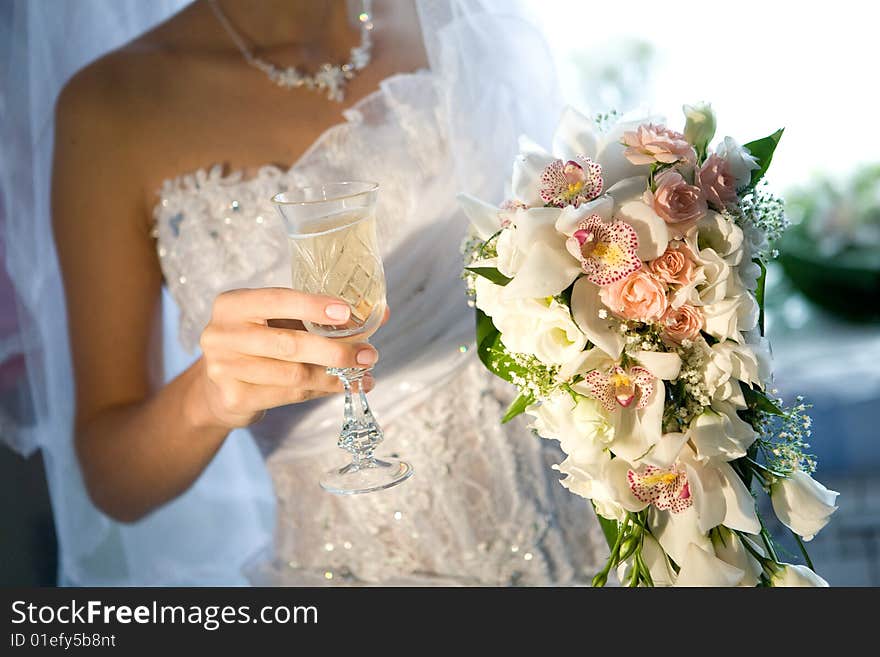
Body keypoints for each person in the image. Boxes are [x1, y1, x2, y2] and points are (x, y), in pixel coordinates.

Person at [14, 0, 606, 585]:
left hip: (593, 537)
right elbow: (113, 483)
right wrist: (207, 398)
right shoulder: (111, 107)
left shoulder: (457, 23)